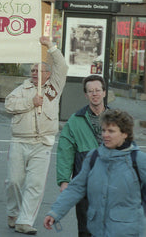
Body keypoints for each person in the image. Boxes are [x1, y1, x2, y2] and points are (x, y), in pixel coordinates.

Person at [44, 109, 146, 236]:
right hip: (97, 232)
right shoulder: (94, 157)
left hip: (129, 232)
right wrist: (55, 212)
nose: (105, 135)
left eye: (111, 131)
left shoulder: (139, 160)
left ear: (125, 133)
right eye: (103, 130)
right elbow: (76, 188)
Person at [4, 36, 68, 235]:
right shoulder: (21, 90)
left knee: (35, 184)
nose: (34, 73)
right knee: (13, 181)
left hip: (43, 143)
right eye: (32, 70)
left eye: (38, 70)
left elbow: (62, 66)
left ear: (48, 74)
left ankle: (25, 220)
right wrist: (31, 102)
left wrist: (50, 47)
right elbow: (8, 105)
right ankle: (13, 212)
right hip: (20, 140)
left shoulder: (54, 88)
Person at [55, 75, 108, 237]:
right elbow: (65, 151)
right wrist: (64, 181)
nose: (95, 94)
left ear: (104, 93)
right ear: (85, 95)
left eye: (98, 90)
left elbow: (128, 150)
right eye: (90, 91)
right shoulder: (75, 120)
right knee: (85, 229)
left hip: (112, 183)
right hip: (85, 183)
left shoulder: (116, 119)